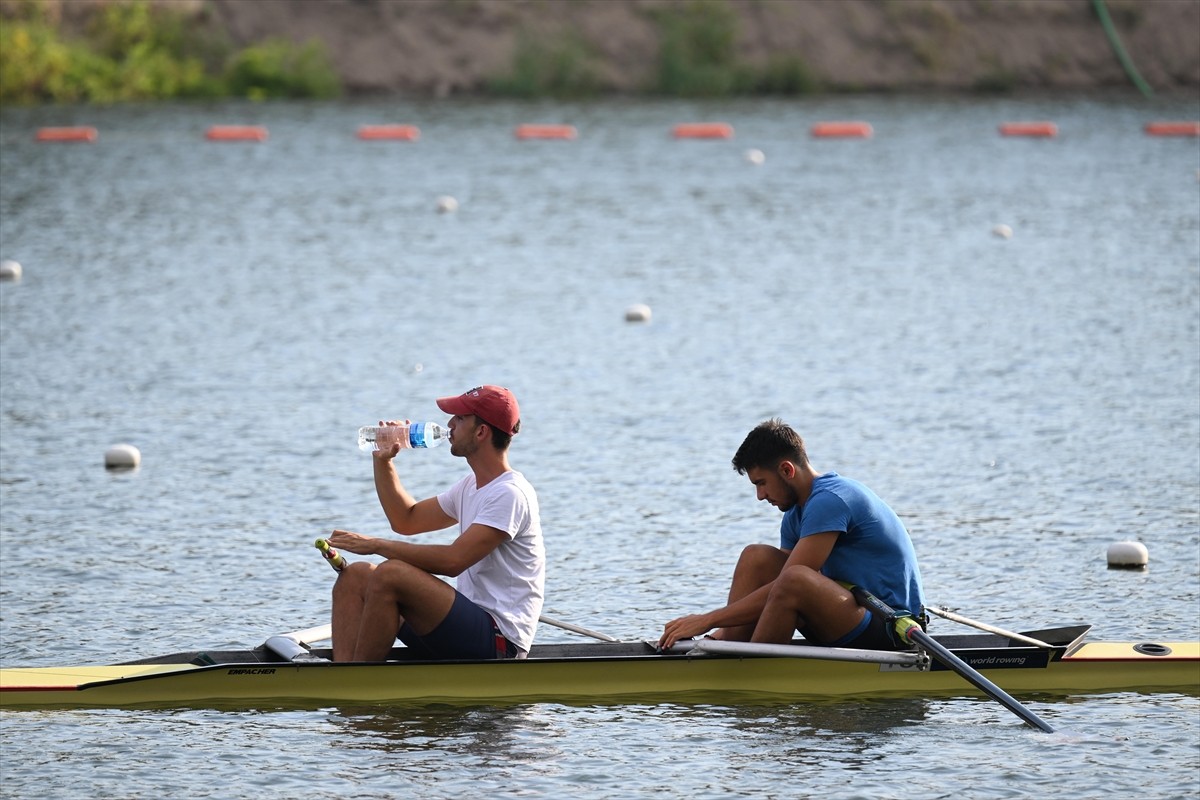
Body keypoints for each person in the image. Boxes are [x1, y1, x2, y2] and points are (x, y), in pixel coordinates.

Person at [659, 418, 924, 652]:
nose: (760, 496)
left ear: (787, 470)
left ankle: (753, 673)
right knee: (757, 557)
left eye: (761, 483)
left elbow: (789, 584)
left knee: (795, 578)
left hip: (891, 625)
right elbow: (773, 586)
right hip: (849, 612)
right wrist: (717, 631)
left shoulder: (830, 500)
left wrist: (708, 618)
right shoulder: (795, 513)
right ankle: (730, 645)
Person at [328, 385, 544, 662]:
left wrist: (377, 545)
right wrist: (384, 461)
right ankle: (344, 678)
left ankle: (360, 685)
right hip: (462, 629)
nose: (449, 424)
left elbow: (453, 561)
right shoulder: (470, 486)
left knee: (390, 574)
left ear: (481, 432)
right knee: (354, 576)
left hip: (499, 643)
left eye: (460, 418)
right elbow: (405, 519)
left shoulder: (510, 494)